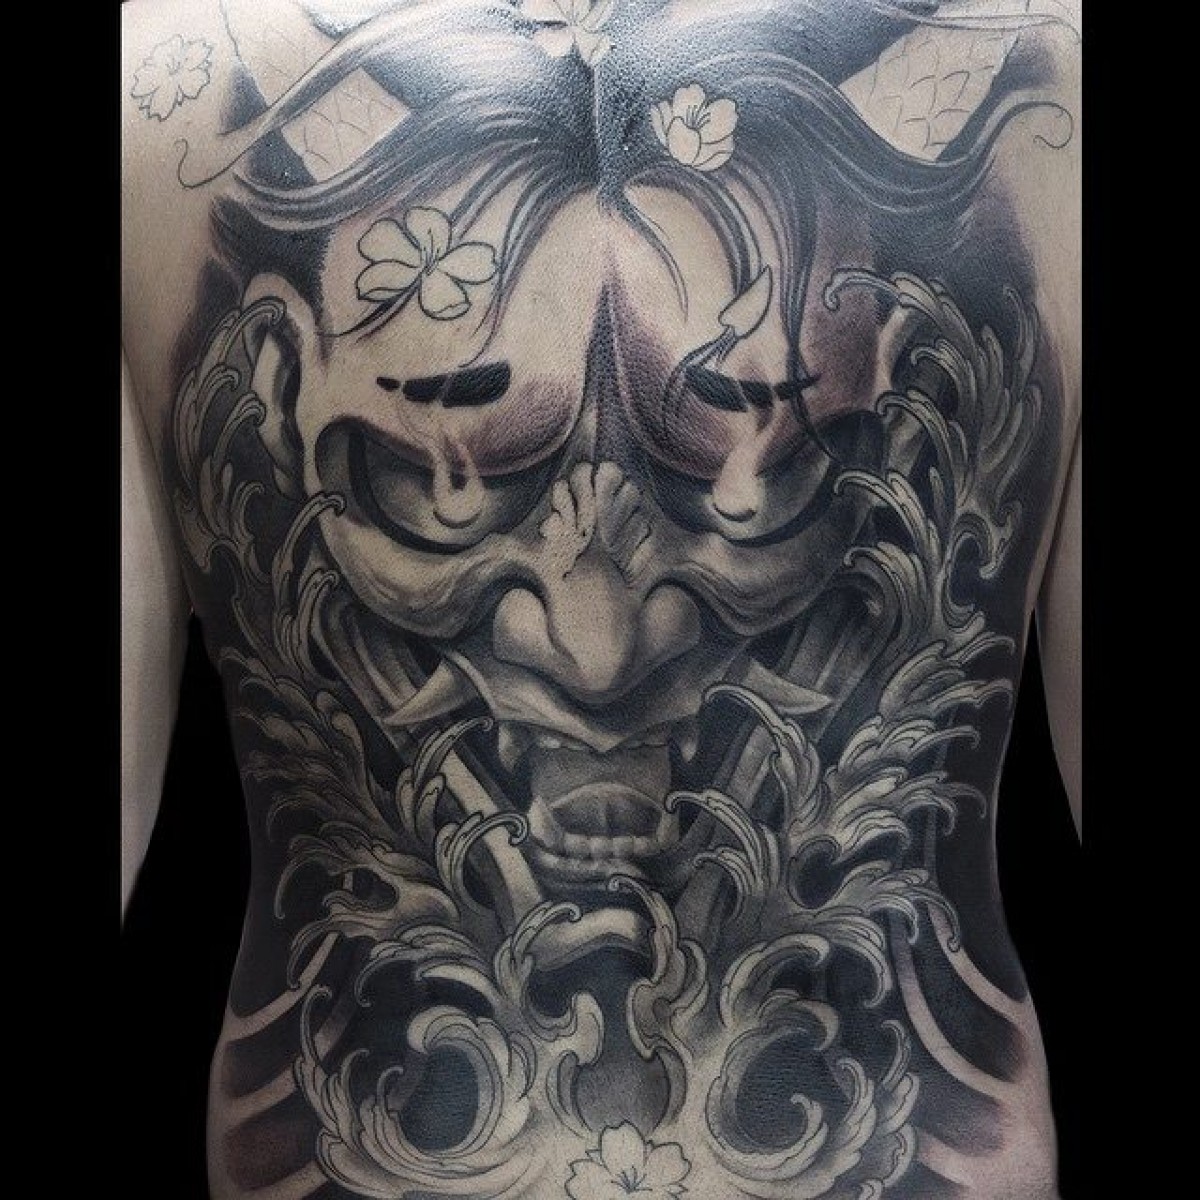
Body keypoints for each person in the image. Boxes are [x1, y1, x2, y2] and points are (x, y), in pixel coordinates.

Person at [121, 2, 1081, 1197]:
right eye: (447, 484)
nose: (600, 656)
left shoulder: (157, 91)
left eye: (762, 480)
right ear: (275, 396)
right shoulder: (1054, 81)